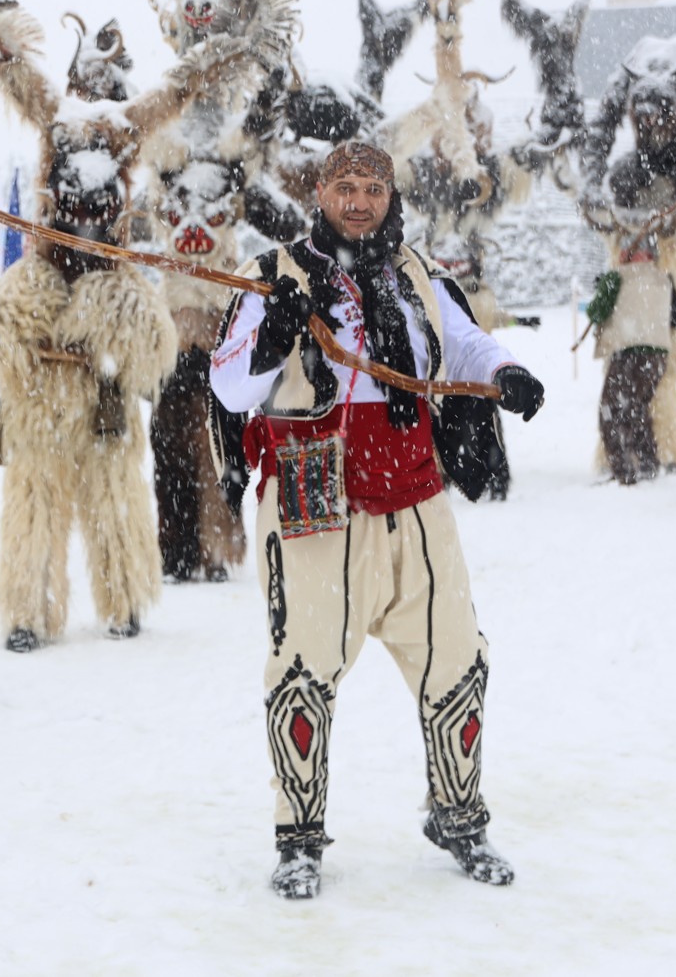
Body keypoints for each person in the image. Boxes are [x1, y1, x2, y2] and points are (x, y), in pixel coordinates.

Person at [209, 141, 545, 900]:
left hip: (417, 497)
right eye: (344, 187)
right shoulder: (274, 278)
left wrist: (504, 372)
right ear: (319, 192)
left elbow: (461, 339)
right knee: (304, 666)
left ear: (391, 196)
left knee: (456, 658)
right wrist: (273, 334)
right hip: (313, 496)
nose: (359, 201)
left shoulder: (414, 273)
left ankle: (457, 816)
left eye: (373, 188)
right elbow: (229, 386)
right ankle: (299, 838)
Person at [586, 241, 676, 483]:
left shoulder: (617, 277)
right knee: (638, 408)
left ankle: (622, 470)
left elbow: (596, 312)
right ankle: (647, 462)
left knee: (610, 410)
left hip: (627, 353)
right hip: (658, 356)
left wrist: (604, 288)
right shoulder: (665, 279)